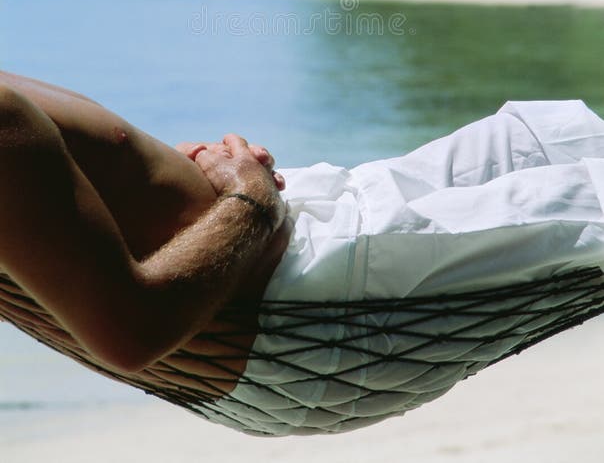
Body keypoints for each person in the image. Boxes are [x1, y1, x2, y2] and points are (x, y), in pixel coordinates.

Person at [1, 70, 604, 436]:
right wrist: (248, 199)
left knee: (546, 132)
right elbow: (130, 331)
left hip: (300, 240)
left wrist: (153, 172)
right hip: (310, 311)